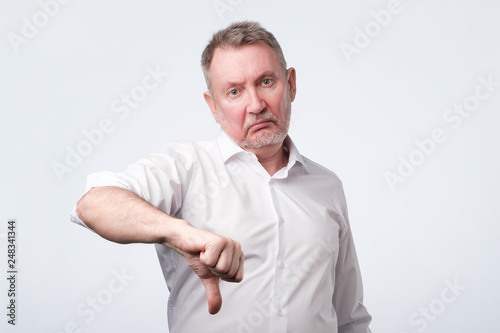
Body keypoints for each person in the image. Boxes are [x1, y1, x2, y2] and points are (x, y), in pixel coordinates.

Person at [71, 21, 372, 333]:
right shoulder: (185, 167)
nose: (255, 105)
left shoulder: (327, 186)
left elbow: (349, 317)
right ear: (213, 106)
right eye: (234, 91)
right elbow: (94, 203)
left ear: (291, 84)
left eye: (266, 81)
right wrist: (178, 233)